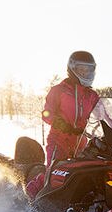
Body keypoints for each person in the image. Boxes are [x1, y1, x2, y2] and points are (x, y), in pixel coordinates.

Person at [25, 50, 101, 200]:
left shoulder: (92, 96)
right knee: (54, 172)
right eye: (81, 69)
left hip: (82, 144)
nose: (85, 73)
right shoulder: (59, 90)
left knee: (84, 175)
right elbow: (47, 113)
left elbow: (102, 116)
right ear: (72, 69)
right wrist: (58, 123)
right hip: (59, 139)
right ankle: (30, 197)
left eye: (88, 70)